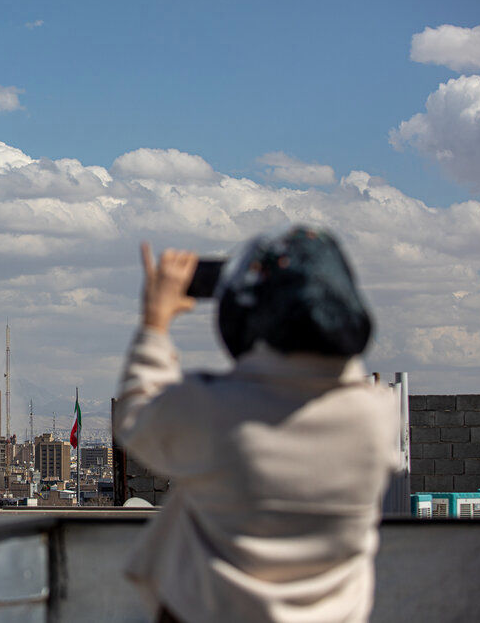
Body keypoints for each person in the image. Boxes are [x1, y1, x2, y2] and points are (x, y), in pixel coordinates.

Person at [114, 225, 399, 623]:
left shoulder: (214, 409)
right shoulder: (378, 415)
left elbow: (135, 418)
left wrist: (155, 322)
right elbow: (339, 370)